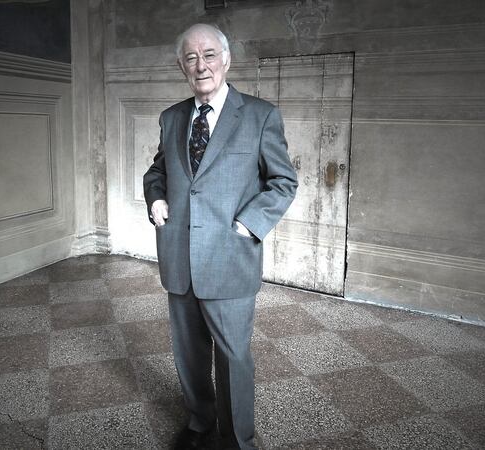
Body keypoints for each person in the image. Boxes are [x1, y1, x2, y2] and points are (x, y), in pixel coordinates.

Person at [143, 23, 298, 450]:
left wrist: (248, 224)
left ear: (226, 60)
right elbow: (158, 171)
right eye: (191, 57)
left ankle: (236, 440)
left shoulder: (260, 115)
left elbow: (283, 182)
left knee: (232, 358)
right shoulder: (172, 117)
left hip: (229, 256)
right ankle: (200, 423)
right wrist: (155, 197)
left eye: (209, 54)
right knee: (190, 355)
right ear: (181, 66)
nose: (201, 64)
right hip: (178, 257)